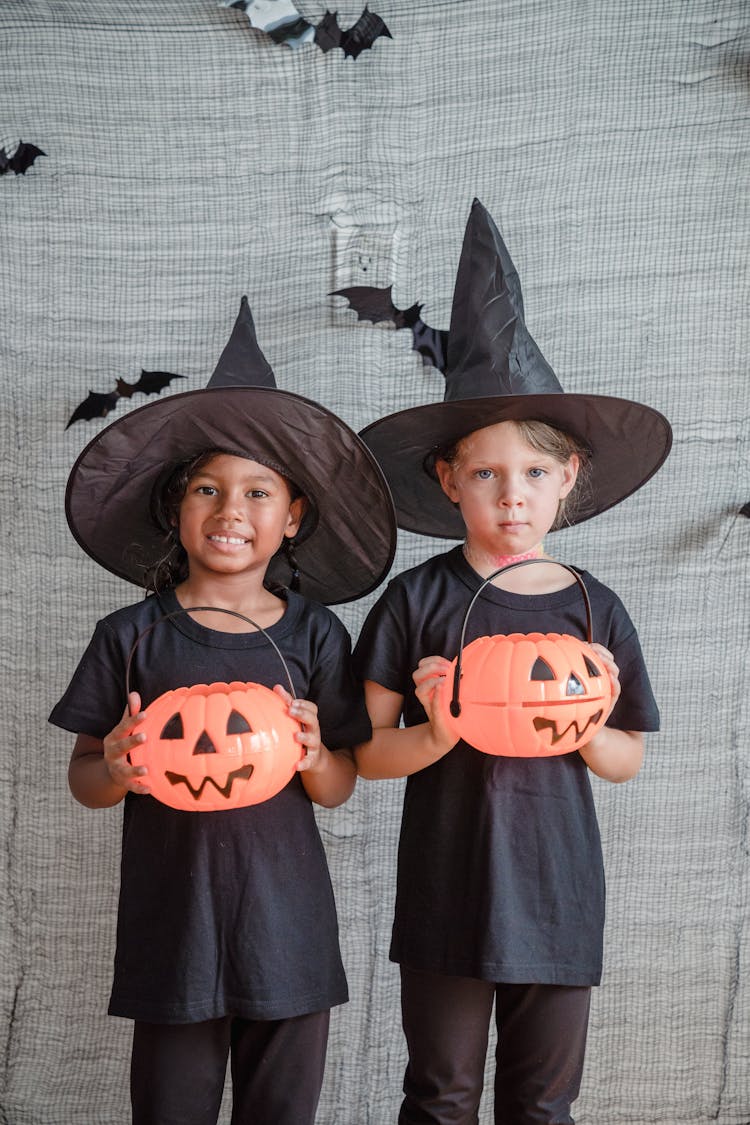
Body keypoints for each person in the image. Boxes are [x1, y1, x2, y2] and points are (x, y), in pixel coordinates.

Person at [352, 201, 672, 1124]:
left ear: (568, 476)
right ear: (448, 479)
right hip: (448, 892)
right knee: (441, 1093)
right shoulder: (417, 600)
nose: (511, 495)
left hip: (560, 893)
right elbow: (367, 754)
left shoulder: (592, 607)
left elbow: (625, 759)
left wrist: (594, 721)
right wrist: (435, 732)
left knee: (542, 1103)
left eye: (533, 474)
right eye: (486, 473)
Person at [49, 297, 396, 1125]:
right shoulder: (131, 635)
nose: (230, 510)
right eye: (207, 487)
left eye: (256, 490)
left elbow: (339, 783)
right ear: (177, 507)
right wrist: (118, 766)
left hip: (289, 930)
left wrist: (316, 755)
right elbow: (85, 780)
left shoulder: (315, 635)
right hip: (173, 934)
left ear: (293, 515)